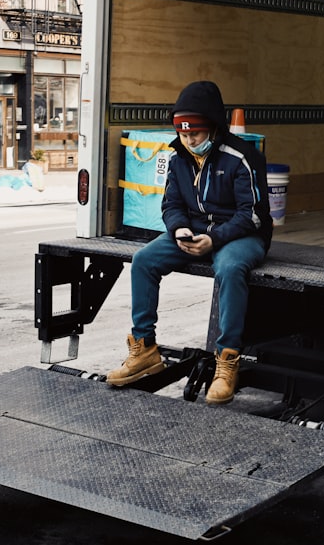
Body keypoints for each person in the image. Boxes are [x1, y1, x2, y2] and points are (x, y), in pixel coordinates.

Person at [107, 81, 273, 405]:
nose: (188, 140)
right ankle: (144, 349)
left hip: (240, 235)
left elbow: (253, 215)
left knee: (229, 269)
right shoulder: (179, 157)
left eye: (195, 133)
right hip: (194, 231)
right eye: (183, 133)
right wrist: (180, 229)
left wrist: (214, 239)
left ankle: (226, 361)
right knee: (143, 261)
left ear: (213, 126)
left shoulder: (242, 157)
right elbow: (171, 204)